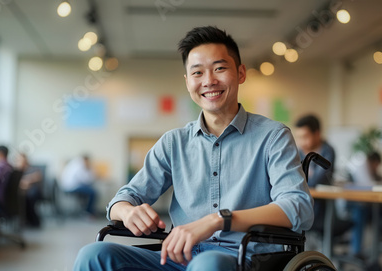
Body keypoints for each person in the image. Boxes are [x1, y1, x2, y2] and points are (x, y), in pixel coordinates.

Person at [74, 26, 313, 271]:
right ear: (188, 82)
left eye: (220, 68)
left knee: (207, 264)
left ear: (240, 73)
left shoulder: (272, 137)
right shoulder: (173, 143)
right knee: (94, 255)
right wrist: (126, 212)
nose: (209, 81)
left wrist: (219, 220)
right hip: (178, 258)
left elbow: (298, 206)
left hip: (241, 259)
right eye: (197, 72)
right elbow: (123, 198)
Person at [294, 114, 335, 230]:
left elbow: (316, 180)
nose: (301, 142)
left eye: (305, 136)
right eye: (299, 137)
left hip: (322, 204)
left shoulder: (327, 151)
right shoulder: (298, 151)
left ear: (317, 134)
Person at [16, 153, 43, 228]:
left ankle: (34, 221)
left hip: (34, 193)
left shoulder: (33, 169)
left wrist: (27, 180)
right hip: (24, 193)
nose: (19, 161)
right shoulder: (18, 172)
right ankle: (25, 220)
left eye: (20, 159)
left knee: (29, 197)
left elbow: (37, 177)